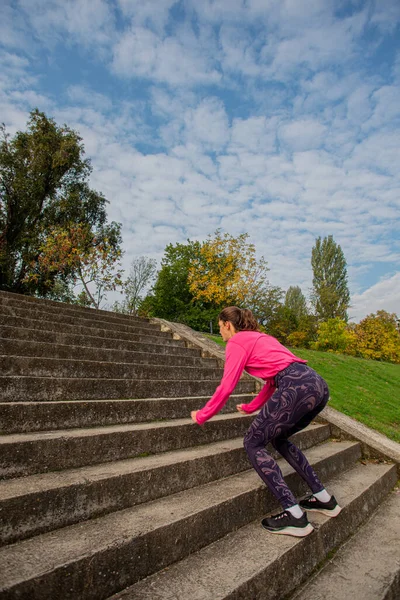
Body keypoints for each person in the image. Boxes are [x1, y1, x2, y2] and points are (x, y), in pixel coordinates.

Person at [191, 306, 341, 538]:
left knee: (253, 443)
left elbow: (227, 385)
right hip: (317, 385)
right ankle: (324, 499)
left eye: (220, 327)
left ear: (227, 325)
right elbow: (273, 381)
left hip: (294, 386)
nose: (220, 333)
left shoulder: (237, 342)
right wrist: (252, 406)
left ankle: (294, 515)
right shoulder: (262, 338)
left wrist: (203, 414)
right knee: (279, 438)